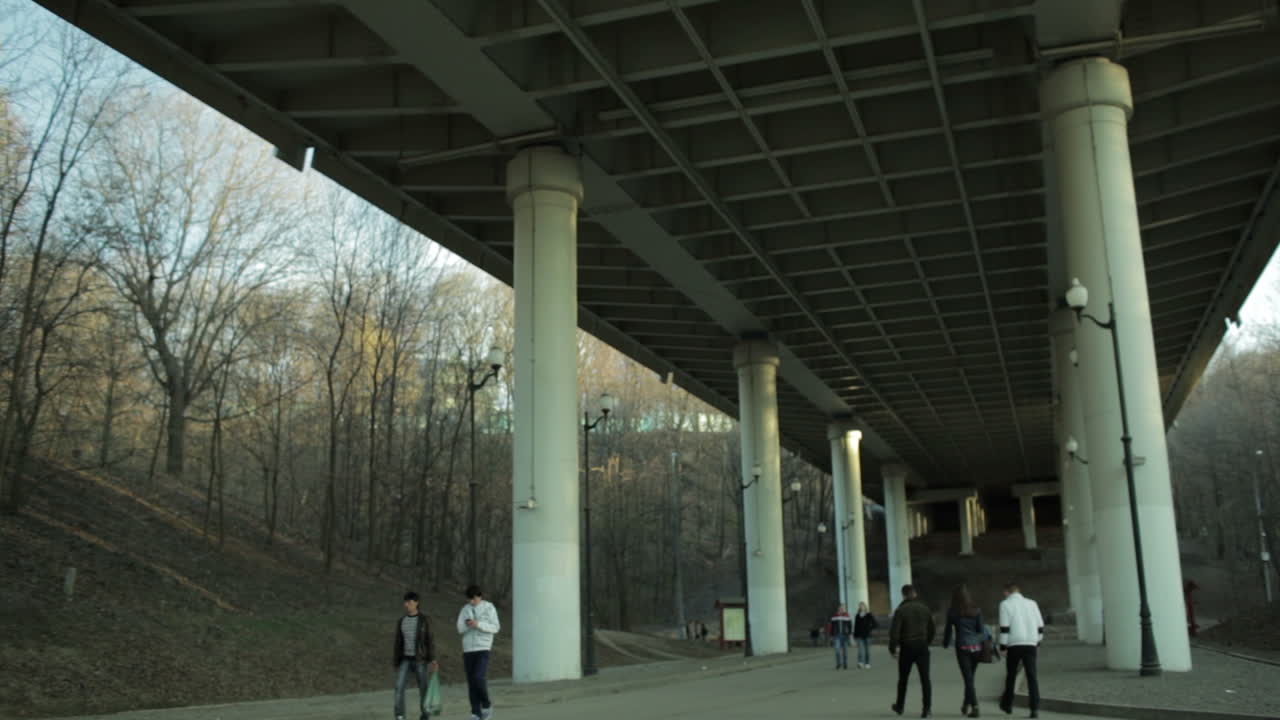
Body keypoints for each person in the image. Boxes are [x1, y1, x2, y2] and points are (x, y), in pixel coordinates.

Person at [998, 582, 1044, 719]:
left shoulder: (1005, 604)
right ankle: (1034, 708)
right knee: (1032, 676)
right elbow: (1040, 625)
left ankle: (1008, 705)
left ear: (1007, 592)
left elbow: (1005, 628)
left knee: (1011, 674)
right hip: (1031, 643)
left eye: (1004, 593)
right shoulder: (1032, 603)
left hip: (1014, 644)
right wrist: (1038, 642)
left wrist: (1003, 646)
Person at [889, 584, 935, 718]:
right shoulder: (924, 608)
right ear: (915, 594)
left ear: (903, 595)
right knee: (925, 679)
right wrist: (927, 642)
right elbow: (932, 629)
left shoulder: (901, 610)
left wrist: (893, 648)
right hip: (922, 646)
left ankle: (900, 706)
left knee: (903, 679)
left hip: (907, 647)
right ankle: (927, 708)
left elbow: (894, 633)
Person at [457, 585, 501, 720]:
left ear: (479, 596)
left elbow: (495, 627)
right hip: (468, 649)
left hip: (483, 648)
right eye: (469, 599)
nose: (471, 602)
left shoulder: (489, 607)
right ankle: (475, 712)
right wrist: (468, 625)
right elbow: (459, 628)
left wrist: (478, 624)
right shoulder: (465, 609)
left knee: (478, 677)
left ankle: (486, 705)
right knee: (471, 682)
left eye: (473, 599)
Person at [392, 591, 437, 720]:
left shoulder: (424, 620)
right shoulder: (402, 621)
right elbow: (398, 643)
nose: (407, 605)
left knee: (423, 690)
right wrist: (396, 661)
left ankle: (425, 716)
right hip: (405, 660)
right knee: (398, 688)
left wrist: (432, 659)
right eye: (405, 602)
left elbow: (430, 639)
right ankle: (400, 716)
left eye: (410, 602)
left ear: (416, 603)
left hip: (420, 660)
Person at [943, 585, 986, 718]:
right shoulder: (976, 610)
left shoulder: (953, 612)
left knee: (968, 679)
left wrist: (945, 642)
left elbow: (948, 630)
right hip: (977, 648)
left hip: (962, 647)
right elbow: (980, 629)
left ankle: (975, 707)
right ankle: (965, 704)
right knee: (970, 678)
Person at [853, 601, 878, 669]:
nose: (861, 607)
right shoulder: (857, 616)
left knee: (867, 650)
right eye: (860, 606)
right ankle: (860, 662)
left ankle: (867, 663)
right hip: (859, 636)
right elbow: (856, 626)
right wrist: (854, 636)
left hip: (867, 636)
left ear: (865, 607)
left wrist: (869, 628)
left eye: (862, 606)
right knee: (860, 650)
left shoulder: (869, 615)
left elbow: (875, 624)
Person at [829, 604, 854, 669]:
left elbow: (850, 626)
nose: (842, 609)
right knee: (837, 650)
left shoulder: (847, 616)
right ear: (838, 608)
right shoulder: (834, 616)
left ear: (844, 609)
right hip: (836, 635)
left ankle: (845, 663)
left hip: (845, 636)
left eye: (843, 608)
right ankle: (838, 663)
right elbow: (831, 627)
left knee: (845, 651)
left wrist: (850, 635)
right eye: (841, 608)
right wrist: (831, 636)